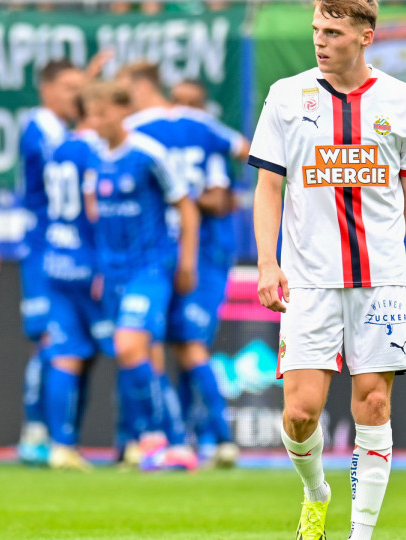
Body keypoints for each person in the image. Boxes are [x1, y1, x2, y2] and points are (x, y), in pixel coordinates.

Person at [249, 0, 406, 538]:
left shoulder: (402, 101)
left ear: (366, 37)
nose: (320, 41)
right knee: (301, 414)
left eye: (332, 31)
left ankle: (360, 533)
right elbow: (268, 186)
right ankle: (315, 492)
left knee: (373, 403)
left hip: (380, 280)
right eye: (316, 30)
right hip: (309, 281)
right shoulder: (287, 96)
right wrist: (268, 261)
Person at [116, 62, 248, 469]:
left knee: (173, 345)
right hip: (191, 250)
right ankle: (176, 438)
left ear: (140, 89)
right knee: (166, 343)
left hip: (181, 250)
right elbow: (245, 150)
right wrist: (223, 192)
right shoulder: (204, 129)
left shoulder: (135, 131)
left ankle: (188, 438)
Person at [81, 82, 201, 471]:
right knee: (144, 358)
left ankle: (153, 437)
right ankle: (173, 443)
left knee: (129, 346)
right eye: (91, 114)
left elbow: (186, 207)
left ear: (121, 112)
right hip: (113, 273)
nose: (96, 122)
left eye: (102, 114)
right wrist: (101, 269)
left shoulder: (148, 152)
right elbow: (97, 218)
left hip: (150, 268)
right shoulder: (95, 156)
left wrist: (187, 261)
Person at [168, 78, 249, 468]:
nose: (187, 111)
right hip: (181, 253)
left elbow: (217, 200)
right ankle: (189, 436)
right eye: (179, 102)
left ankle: (220, 436)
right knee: (184, 344)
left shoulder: (212, 149)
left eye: (194, 103)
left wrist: (178, 196)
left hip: (208, 256)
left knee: (191, 343)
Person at [16, 59, 86, 465]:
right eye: (68, 87)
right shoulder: (40, 127)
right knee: (47, 340)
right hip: (44, 249)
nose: (75, 95)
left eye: (81, 88)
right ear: (46, 89)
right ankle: (34, 429)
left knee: (68, 344)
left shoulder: (64, 128)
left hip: (69, 251)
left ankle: (50, 430)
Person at [40, 93, 113, 471]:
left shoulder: (57, 148)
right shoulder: (96, 151)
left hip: (57, 259)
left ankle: (61, 445)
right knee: (128, 350)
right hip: (90, 264)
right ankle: (135, 442)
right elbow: (95, 208)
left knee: (66, 354)